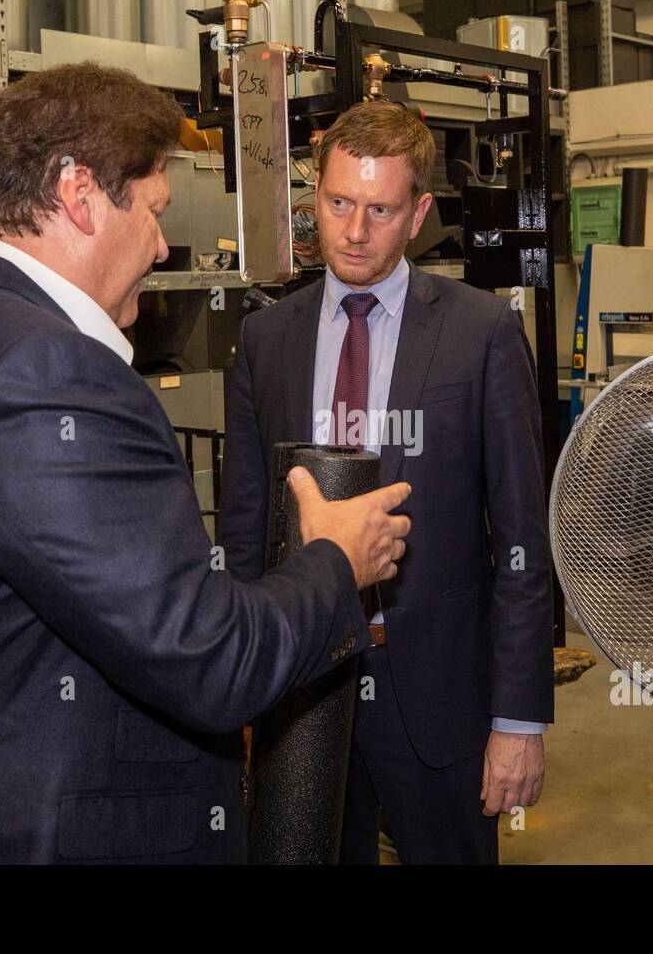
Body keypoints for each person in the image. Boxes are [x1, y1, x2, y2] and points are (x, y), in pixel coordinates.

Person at [0, 65, 410, 864]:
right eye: (156, 211)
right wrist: (338, 557)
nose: (163, 244)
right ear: (79, 195)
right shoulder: (43, 371)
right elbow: (207, 658)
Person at [218, 101, 554, 865]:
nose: (355, 230)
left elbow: (522, 541)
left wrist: (520, 720)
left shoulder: (482, 333)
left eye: (380, 209)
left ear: (419, 214)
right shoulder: (267, 338)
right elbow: (244, 527)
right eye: (338, 203)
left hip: (434, 698)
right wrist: (236, 681)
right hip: (300, 688)